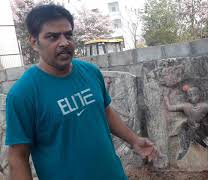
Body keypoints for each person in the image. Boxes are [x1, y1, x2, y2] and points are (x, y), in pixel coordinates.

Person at [5, 4, 158, 180]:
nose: (64, 42)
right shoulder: (23, 94)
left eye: (68, 34)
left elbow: (105, 111)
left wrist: (134, 140)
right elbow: (18, 156)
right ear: (34, 42)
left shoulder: (90, 71)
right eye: (52, 37)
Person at [164, 85, 208, 159]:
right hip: (187, 130)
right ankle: (178, 160)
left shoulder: (205, 106)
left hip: (199, 131)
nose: (193, 97)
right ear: (188, 97)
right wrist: (166, 99)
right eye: (190, 95)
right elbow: (170, 108)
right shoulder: (185, 106)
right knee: (183, 149)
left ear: (199, 95)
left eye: (194, 94)